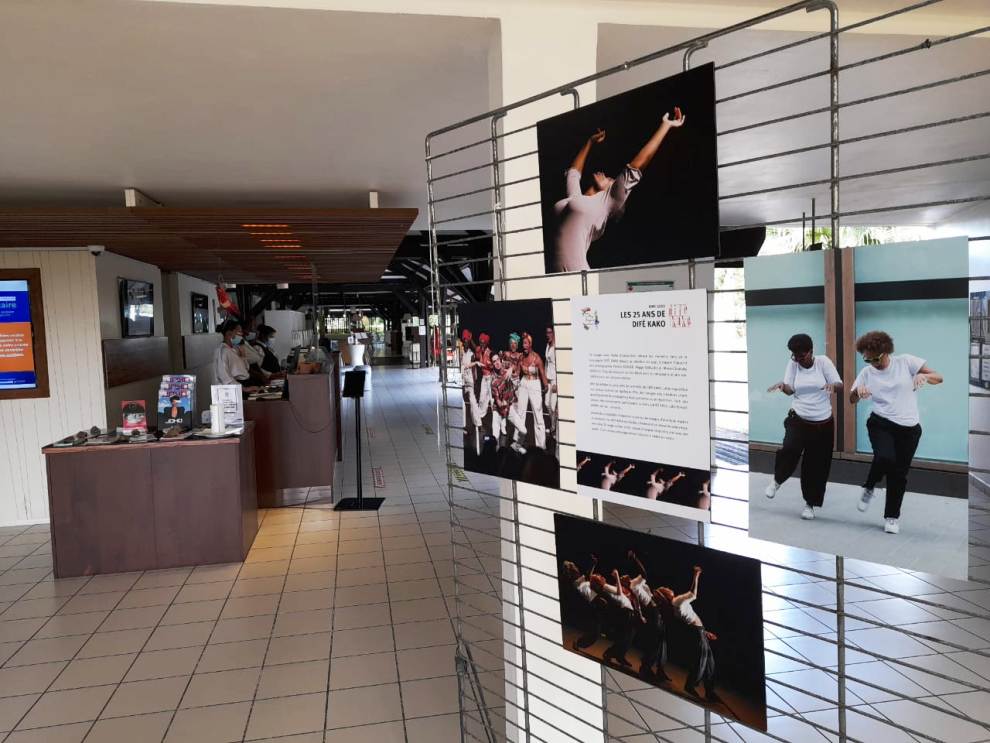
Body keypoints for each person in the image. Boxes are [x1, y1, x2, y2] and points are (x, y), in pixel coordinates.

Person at [552, 107, 687, 272]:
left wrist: (666, 125)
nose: (607, 176)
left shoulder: (606, 203)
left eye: (611, 180)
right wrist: (590, 142)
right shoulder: (575, 198)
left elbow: (636, 166)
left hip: (578, 276)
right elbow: (573, 173)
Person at [850, 330, 942, 535]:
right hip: (881, 422)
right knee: (884, 457)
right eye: (867, 359)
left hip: (909, 429)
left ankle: (891, 517)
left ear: (886, 351)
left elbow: (939, 377)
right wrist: (858, 392)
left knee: (899, 474)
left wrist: (924, 375)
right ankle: (869, 487)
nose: (873, 363)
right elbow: (851, 399)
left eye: (876, 358)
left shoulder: (906, 362)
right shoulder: (867, 373)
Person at [765, 334, 843, 520]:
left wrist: (832, 386)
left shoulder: (823, 363)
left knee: (816, 465)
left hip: (823, 423)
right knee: (790, 448)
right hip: (799, 417)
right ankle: (777, 480)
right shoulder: (793, 365)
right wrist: (782, 386)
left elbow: (839, 384)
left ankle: (810, 504)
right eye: (795, 355)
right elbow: (790, 389)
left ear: (811, 351)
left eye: (802, 355)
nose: (798, 359)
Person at [663, 566, 718, 702]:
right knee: (702, 660)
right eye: (665, 589)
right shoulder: (676, 601)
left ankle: (709, 690)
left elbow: (691, 618)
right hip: (697, 632)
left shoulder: (676, 605)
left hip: (699, 631)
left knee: (709, 662)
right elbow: (693, 594)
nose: (667, 587)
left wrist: (705, 632)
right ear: (666, 596)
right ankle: (690, 685)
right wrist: (696, 575)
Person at [627, 550, 671, 681]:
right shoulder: (635, 586)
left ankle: (654, 668)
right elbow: (644, 573)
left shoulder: (642, 588)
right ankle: (645, 668)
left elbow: (653, 591)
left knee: (658, 646)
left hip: (656, 617)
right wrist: (635, 559)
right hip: (653, 618)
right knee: (653, 647)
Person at [514, 333, 548, 450]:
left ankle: (541, 446)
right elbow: (517, 373)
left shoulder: (536, 358)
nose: (524, 346)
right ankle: (518, 442)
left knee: (538, 414)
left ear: (530, 344)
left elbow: (542, 374)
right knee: (520, 413)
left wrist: (546, 386)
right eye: (523, 344)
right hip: (523, 383)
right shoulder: (521, 357)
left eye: (526, 343)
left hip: (534, 384)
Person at [490, 353, 528, 455]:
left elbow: (514, 366)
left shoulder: (504, 364)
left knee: (523, 431)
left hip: (508, 409)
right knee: (495, 438)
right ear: (492, 364)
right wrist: (504, 402)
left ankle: (516, 446)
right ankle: (495, 457)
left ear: (500, 360)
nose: (497, 363)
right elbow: (498, 403)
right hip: (498, 411)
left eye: (497, 360)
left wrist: (511, 369)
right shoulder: (493, 380)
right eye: (494, 361)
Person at [214, 319, 258, 391]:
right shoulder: (223, 351)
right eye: (239, 332)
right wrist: (244, 389)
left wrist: (243, 356)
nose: (241, 335)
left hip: (245, 383)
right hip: (237, 387)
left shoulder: (234, 349)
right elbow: (225, 377)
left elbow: (246, 369)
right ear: (229, 333)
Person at [459, 329, 483, 429]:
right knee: (461, 403)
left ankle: (478, 423)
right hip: (461, 379)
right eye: (464, 341)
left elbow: (473, 370)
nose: (466, 343)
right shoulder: (459, 352)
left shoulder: (471, 354)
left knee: (473, 401)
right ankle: (463, 424)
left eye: (467, 341)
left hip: (469, 379)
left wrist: (475, 381)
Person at [476, 332, 493, 422]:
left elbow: (494, 367)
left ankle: (497, 422)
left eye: (484, 343)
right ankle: (479, 419)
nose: (482, 344)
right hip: (484, 378)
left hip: (491, 378)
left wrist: (488, 366)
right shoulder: (479, 351)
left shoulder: (489, 353)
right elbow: (476, 349)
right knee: (482, 399)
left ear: (487, 343)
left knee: (492, 400)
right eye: (481, 342)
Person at [544, 326, 558, 440]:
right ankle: (553, 425)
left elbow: (560, 365)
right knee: (546, 403)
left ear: (554, 333)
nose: (548, 334)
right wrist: (544, 378)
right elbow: (546, 363)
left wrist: (557, 383)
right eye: (547, 332)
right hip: (548, 379)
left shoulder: (557, 347)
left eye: (550, 332)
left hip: (554, 381)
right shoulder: (547, 346)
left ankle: (554, 428)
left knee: (553, 406)